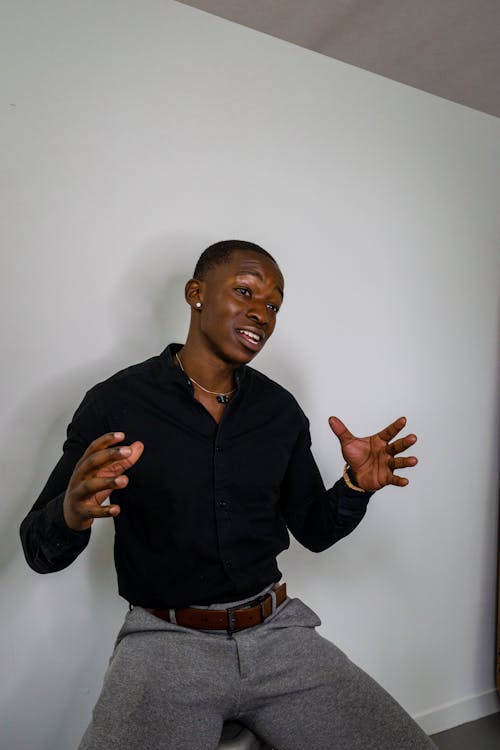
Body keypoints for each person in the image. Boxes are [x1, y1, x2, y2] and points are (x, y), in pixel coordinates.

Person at [20, 240, 436, 749]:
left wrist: (354, 488)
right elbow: (37, 551)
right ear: (196, 293)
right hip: (166, 643)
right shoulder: (115, 403)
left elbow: (316, 530)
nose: (261, 313)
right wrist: (71, 512)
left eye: (274, 305)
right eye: (245, 292)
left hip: (278, 636)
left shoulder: (279, 411)